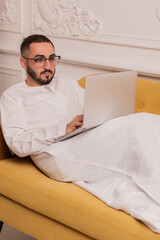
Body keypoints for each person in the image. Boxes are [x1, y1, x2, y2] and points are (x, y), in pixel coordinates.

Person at [1, 34, 160, 233]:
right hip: (56, 151)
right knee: (138, 125)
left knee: (149, 121)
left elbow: (96, 106)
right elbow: (17, 144)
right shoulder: (13, 97)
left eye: (51, 58)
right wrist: (63, 129)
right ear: (23, 63)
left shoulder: (67, 84)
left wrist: (104, 113)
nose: (48, 65)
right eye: (39, 59)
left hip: (86, 137)